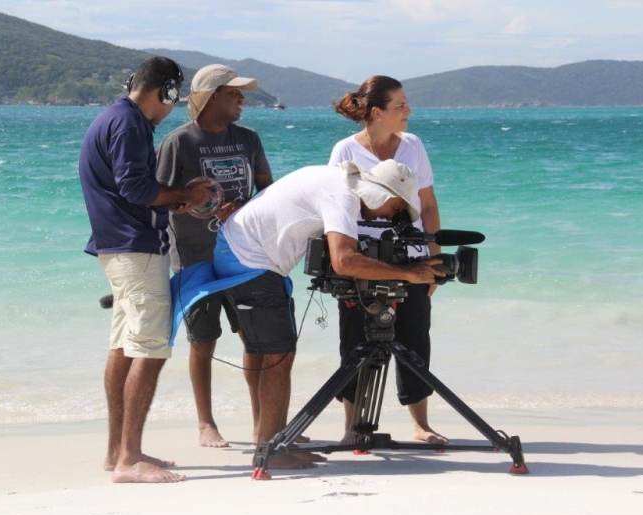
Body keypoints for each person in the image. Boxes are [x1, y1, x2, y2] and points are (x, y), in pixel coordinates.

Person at [172, 159, 445, 469]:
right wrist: (409, 274)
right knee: (279, 355)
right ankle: (272, 450)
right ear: (382, 195)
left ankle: (271, 442)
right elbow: (345, 261)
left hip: (240, 250)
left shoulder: (339, 182)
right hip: (250, 258)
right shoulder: (343, 196)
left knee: (268, 352)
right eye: (394, 208)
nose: (390, 216)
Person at [79, 56, 211, 483]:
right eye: (175, 98)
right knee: (150, 350)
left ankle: (117, 451)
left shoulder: (112, 117)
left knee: (123, 347)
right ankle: (129, 460)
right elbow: (135, 187)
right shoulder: (131, 123)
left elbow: (127, 186)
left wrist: (176, 197)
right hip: (135, 249)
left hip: (117, 248)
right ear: (168, 92)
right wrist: (183, 197)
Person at [156, 64, 273, 448]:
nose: (242, 98)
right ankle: (206, 424)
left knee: (255, 340)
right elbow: (159, 199)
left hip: (244, 256)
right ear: (208, 97)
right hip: (195, 257)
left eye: (241, 92)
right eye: (233, 92)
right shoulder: (179, 143)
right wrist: (196, 202)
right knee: (202, 341)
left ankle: (263, 423)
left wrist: (243, 209)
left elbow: (268, 192)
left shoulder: (248, 139)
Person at [329, 75, 448, 445]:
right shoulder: (345, 151)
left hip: (410, 255)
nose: (408, 111)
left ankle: (421, 425)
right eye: (401, 105)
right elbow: (337, 211)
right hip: (363, 261)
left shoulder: (413, 146)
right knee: (355, 341)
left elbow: (427, 204)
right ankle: (352, 426)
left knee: (415, 337)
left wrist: (435, 261)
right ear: (378, 113)